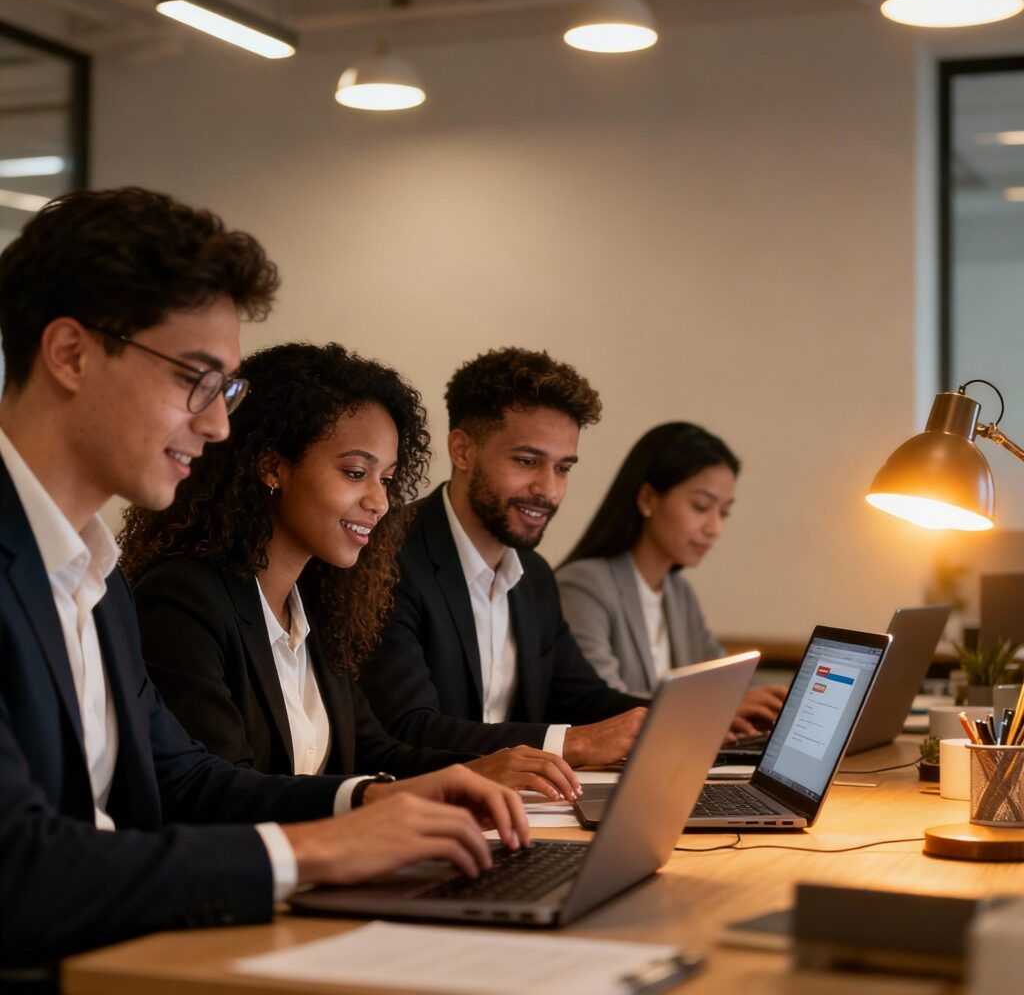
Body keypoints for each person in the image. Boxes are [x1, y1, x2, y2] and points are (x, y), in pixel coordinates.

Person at [0, 188, 526, 971]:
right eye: (195, 379)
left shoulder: (95, 579)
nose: (216, 426)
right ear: (71, 354)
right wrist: (311, 854)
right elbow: (19, 871)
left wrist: (370, 802)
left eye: (227, 391)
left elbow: (186, 781)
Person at [119, 342, 579, 802]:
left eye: (387, 479)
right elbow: (215, 794)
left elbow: (374, 750)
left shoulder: (314, 604)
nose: (379, 501)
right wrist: (366, 800)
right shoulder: (184, 599)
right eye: (356, 473)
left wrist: (483, 772)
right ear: (272, 466)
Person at [358, 348, 648, 767]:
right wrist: (572, 744)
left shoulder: (534, 577)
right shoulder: (385, 556)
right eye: (528, 461)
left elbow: (584, 699)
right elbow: (406, 726)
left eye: (563, 468)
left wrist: (679, 719)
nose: (549, 490)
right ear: (462, 450)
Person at [556, 422, 786, 738]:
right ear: (648, 499)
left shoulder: (679, 594)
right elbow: (599, 709)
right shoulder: (583, 585)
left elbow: (722, 681)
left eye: (724, 513)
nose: (715, 527)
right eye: (701, 506)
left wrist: (767, 703)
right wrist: (714, 710)